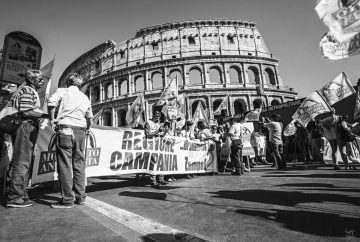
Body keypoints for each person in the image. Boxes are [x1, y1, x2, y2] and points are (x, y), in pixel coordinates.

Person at [47, 73, 93, 208]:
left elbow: (51, 103)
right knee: (79, 165)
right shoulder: (85, 97)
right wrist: (88, 128)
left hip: (66, 128)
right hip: (80, 131)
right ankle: (81, 197)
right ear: (79, 84)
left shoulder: (63, 91)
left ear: (68, 82)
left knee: (65, 165)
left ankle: (67, 200)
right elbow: (89, 117)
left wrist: (52, 119)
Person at [7, 69, 47, 208]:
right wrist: (47, 116)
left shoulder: (28, 90)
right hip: (26, 126)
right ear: (31, 80)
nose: (42, 81)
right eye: (40, 79)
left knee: (24, 162)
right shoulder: (28, 90)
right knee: (22, 162)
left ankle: (21, 195)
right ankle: (15, 197)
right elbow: (27, 111)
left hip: (27, 127)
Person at [143, 110, 168, 188]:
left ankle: (161, 179)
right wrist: (157, 131)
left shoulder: (158, 124)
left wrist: (165, 132)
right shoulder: (148, 123)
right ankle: (153, 181)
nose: (158, 118)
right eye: (156, 116)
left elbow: (160, 135)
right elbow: (148, 134)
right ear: (153, 115)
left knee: (160, 163)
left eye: (159, 117)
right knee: (153, 164)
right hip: (151, 146)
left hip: (158, 146)